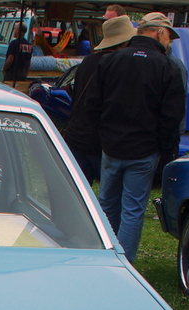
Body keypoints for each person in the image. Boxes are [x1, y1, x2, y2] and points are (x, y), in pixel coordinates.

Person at [79, 11, 184, 263]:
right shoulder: (167, 66)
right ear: (159, 32)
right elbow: (172, 116)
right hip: (143, 150)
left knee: (106, 205)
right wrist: (165, 149)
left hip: (111, 146)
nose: (169, 41)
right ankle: (123, 264)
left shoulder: (111, 60)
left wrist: (103, 137)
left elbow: (92, 105)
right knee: (132, 210)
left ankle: (101, 255)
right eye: (168, 36)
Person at [60, 14, 134, 183]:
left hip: (76, 135)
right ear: (125, 42)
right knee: (108, 192)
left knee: (79, 188)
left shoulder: (88, 61)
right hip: (99, 141)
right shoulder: (117, 64)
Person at [1, 22, 32, 88]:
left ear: (18, 30)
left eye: (14, 29)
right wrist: (25, 73)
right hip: (22, 73)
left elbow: (10, 59)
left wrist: (4, 69)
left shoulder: (14, 43)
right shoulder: (29, 45)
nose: (13, 31)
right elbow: (28, 62)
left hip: (12, 73)